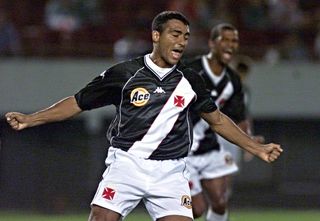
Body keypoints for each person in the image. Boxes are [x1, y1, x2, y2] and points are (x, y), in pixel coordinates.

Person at [5, 11, 282, 221]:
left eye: (186, 36)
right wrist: (32, 119)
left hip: (171, 171)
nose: (182, 41)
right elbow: (77, 102)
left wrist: (256, 148)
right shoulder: (124, 74)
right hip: (127, 165)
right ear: (156, 36)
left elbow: (218, 120)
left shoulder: (191, 79)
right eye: (175, 34)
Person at [184, 23, 264, 221]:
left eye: (234, 41)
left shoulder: (234, 83)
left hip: (216, 145)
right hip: (184, 148)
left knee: (220, 201)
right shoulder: (190, 70)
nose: (230, 45)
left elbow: (240, 117)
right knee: (196, 210)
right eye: (225, 40)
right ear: (212, 43)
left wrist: (250, 141)